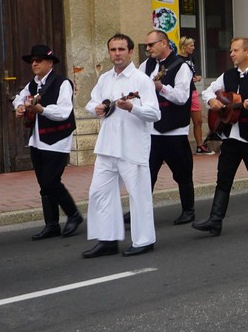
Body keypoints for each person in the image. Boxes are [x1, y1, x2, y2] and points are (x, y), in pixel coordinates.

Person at [82, 34, 161, 258]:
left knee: (138, 195)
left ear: (130, 51)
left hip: (132, 146)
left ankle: (144, 240)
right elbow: (91, 101)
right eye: (113, 49)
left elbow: (155, 113)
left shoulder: (141, 80)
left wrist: (132, 108)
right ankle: (107, 239)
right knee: (99, 192)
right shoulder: (105, 78)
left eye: (121, 49)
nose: (117, 53)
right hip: (107, 145)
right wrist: (95, 108)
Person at [195, 37, 248, 235]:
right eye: (231, 50)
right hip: (231, 136)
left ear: (247, 52)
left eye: (235, 50)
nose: (231, 53)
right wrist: (212, 101)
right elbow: (207, 91)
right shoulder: (227, 75)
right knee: (223, 177)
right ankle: (215, 220)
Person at [12, 43, 82, 241]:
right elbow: (19, 98)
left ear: (50, 63)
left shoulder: (62, 83)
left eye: (38, 60)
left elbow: (64, 111)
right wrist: (19, 107)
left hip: (57, 139)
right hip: (37, 140)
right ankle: (51, 224)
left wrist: (42, 110)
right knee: (44, 184)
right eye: (32, 61)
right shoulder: (32, 84)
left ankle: (74, 214)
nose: (34, 64)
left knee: (51, 181)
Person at [141, 30, 196, 226]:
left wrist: (161, 88)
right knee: (146, 172)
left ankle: (188, 210)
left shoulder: (181, 67)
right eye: (147, 45)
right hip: (152, 130)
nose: (147, 49)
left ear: (164, 43)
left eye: (151, 45)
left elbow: (182, 98)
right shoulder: (145, 66)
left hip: (174, 130)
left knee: (182, 172)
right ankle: (140, 209)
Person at [179, 36, 212, 155]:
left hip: (192, 91)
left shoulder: (192, 58)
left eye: (193, 45)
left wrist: (196, 78)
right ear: (184, 46)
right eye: (191, 45)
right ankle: (181, 148)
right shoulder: (177, 60)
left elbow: (192, 74)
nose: (193, 48)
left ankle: (200, 146)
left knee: (198, 121)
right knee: (182, 122)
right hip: (183, 93)